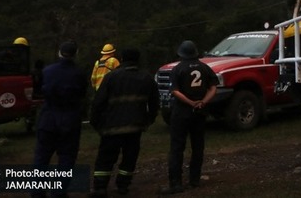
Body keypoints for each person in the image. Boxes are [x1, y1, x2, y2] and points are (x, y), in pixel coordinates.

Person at [90, 48, 159, 197]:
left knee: (105, 158)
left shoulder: (111, 77)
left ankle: (100, 188)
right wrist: (148, 121)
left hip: (111, 127)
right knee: (129, 158)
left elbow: (98, 103)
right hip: (135, 128)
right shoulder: (146, 78)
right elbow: (154, 104)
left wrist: (96, 123)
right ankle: (123, 186)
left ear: (121, 59)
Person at [31, 40, 87, 197]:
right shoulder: (79, 73)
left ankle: (37, 192)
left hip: (48, 119)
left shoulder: (47, 71)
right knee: (66, 159)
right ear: (76, 54)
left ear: (59, 53)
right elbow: (82, 94)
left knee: (41, 158)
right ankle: (59, 192)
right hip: (70, 120)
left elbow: (40, 91)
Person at [162, 40, 217, 194]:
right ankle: (195, 180)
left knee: (177, 148)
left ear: (181, 54)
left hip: (181, 112)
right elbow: (213, 88)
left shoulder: (178, 68)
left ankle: (175, 183)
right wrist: (202, 102)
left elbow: (175, 91)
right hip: (200, 112)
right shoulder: (205, 68)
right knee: (198, 147)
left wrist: (190, 102)